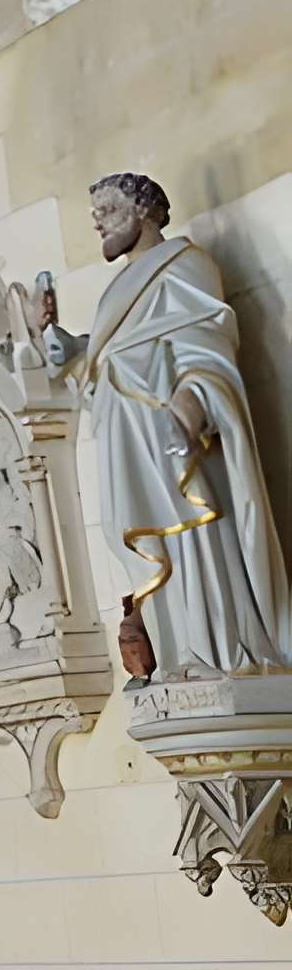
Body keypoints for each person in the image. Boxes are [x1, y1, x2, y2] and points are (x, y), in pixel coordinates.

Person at [38, 171, 289, 678]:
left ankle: (223, 652)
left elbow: (207, 350)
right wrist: (58, 341)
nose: (100, 226)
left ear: (143, 211)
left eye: (108, 213)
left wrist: (190, 409)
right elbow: (115, 359)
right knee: (164, 563)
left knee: (199, 546)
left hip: (180, 444)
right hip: (134, 447)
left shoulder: (185, 265)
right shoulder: (120, 289)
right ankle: (182, 657)